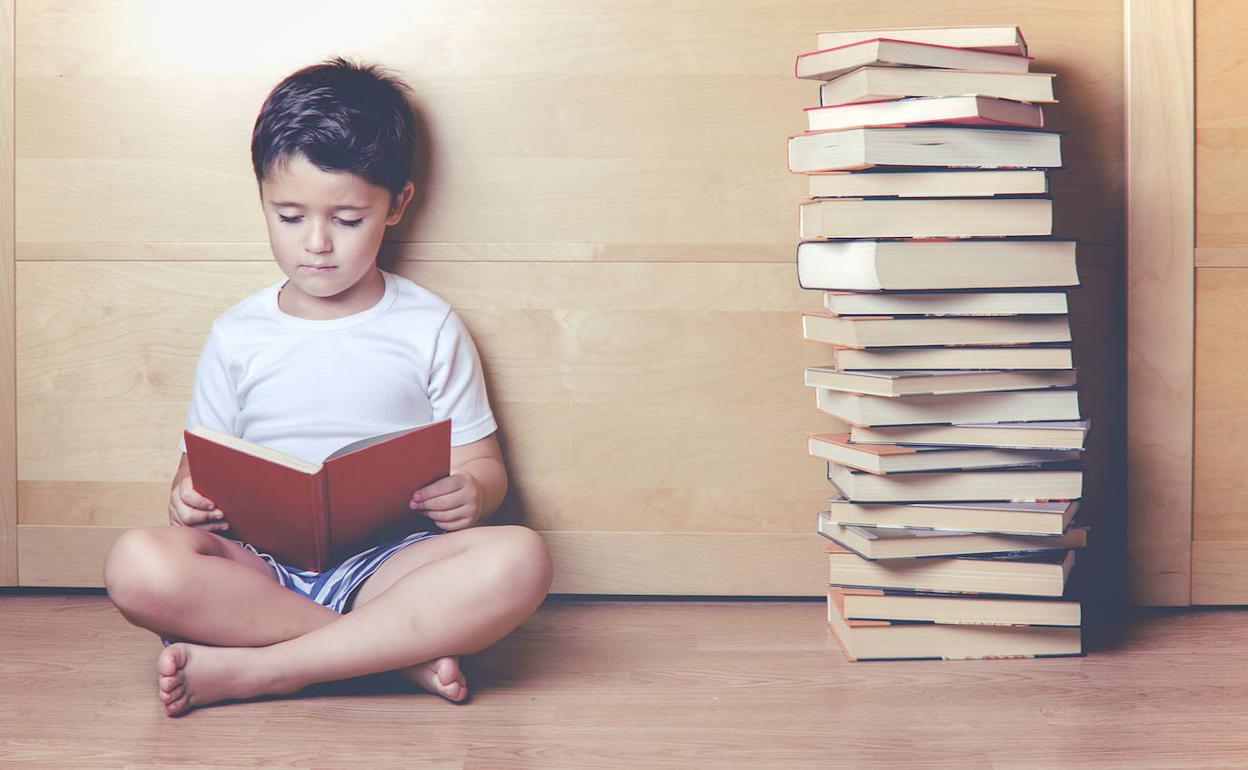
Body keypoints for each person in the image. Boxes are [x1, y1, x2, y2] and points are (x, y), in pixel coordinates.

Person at [100, 57, 553, 718]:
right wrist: (188, 500)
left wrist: (473, 493)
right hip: (262, 571)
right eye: (288, 216)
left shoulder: (428, 326)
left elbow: (483, 466)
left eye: (346, 219)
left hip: (391, 567)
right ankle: (394, 657)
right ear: (260, 196)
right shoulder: (237, 334)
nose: (316, 244)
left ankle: (272, 669)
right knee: (137, 564)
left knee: (521, 558)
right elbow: (193, 474)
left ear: (397, 204)